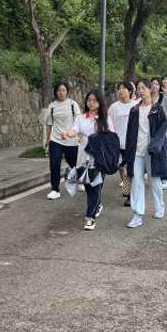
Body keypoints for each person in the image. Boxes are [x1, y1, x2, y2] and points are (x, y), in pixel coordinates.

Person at [60, 89, 114, 230]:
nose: (91, 103)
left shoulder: (105, 119)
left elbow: (112, 137)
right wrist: (67, 134)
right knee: (90, 187)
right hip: (83, 158)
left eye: (94, 100)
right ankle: (97, 205)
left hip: (99, 160)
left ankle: (90, 217)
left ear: (100, 102)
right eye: (89, 100)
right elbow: (74, 130)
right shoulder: (81, 117)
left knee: (95, 187)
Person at [124, 79, 167, 228]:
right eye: (138, 88)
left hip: (152, 152)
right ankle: (137, 214)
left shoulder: (157, 109)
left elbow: (163, 129)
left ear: (149, 89)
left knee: (154, 181)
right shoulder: (134, 110)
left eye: (143, 88)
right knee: (136, 181)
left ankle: (159, 206)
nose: (140, 91)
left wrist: (155, 145)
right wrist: (127, 152)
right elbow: (130, 132)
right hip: (136, 152)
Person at [45, 81, 81, 200]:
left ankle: (80, 181)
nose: (61, 93)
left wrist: (79, 136)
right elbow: (49, 123)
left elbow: (79, 121)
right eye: (59, 90)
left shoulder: (72, 104)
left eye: (63, 90)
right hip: (56, 140)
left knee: (74, 163)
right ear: (55, 92)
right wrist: (48, 139)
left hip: (71, 140)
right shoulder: (52, 106)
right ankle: (55, 189)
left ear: (67, 92)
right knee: (54, 164)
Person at [107, 82, 138, 207]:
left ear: (130, 91)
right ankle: (126, 187)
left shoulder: (136, 106)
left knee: (131, 169)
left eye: (124, 89)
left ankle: (130, 195)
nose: (121, 91)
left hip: (132, 143)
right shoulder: (113, 107)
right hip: (117, 143)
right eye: (119, 89)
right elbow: (108, 123)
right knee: (120, 167)